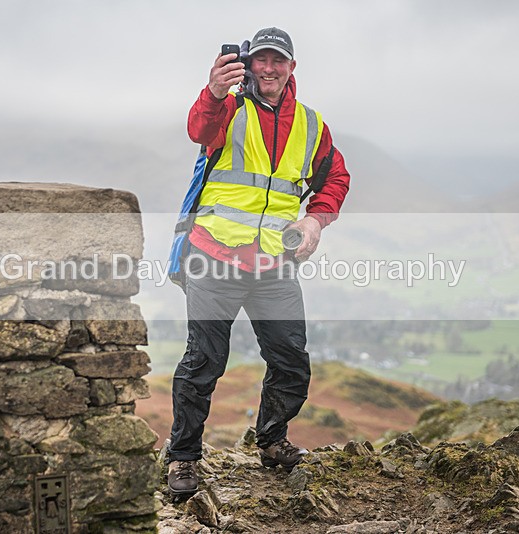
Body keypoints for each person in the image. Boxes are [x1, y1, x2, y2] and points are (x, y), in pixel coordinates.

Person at [167, 27, 351, 495]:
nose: (269, 69)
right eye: (261, 60)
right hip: (214, 257)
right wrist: (212, 90)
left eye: (279, 61)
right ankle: (184, 458)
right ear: (249, 65)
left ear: (291, 68)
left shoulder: (311, 125)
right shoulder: (228, 108)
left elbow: (336, 178)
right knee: (204, 361)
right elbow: (198, 131)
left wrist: (315, 222)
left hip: (273, 266)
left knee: (291, 362)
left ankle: (271, 441)